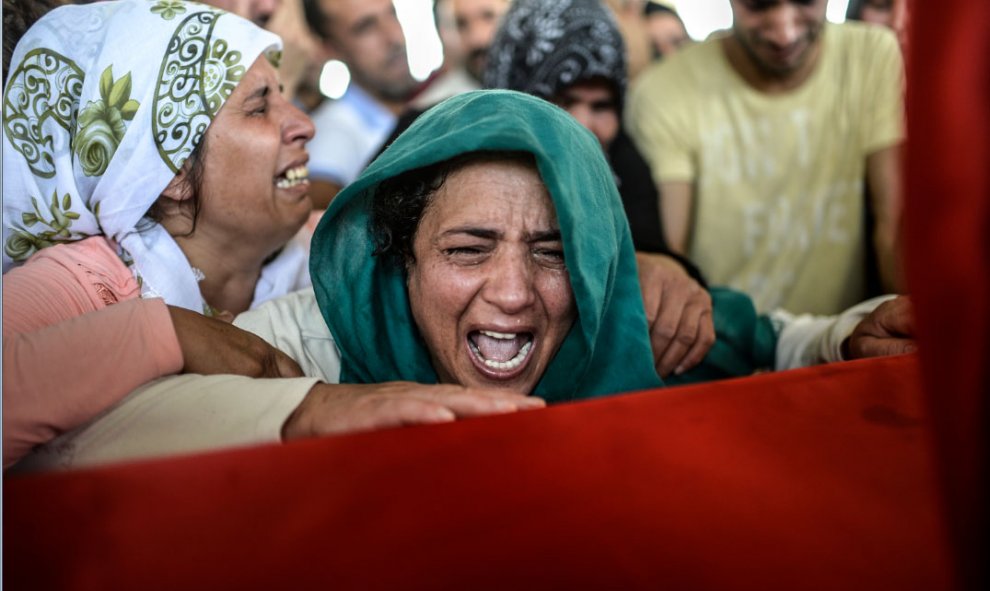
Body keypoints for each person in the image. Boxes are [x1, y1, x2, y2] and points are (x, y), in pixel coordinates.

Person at [12, 90, 916, 472]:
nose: (514, 293)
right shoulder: (305, 342)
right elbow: (62, 454)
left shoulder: (639, 318)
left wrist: (847, 338)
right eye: (468, 248)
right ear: (399, 258)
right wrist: (306, 411)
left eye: (554, 251)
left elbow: (790, 343)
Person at [1, 0, 531, 469]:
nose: (304, 123)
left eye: (285, 96)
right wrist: (167, 333)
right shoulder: (85, 281)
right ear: (171, 175)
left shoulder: (330, 251)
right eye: (259, 107)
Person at [626, 0, 906, 316]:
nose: (784, 33)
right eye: (758, 6)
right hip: (723, 345)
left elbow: (894, 224)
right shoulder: (663, 92)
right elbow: (669, 259)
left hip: (841, 342)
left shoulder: (871, 57)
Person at [301, 0, 419, 207]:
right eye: (366, 27)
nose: (395, 37)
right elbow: (313, 219)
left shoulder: (399, 112)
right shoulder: (334, 131)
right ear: (331, 49)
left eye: (392, 14)